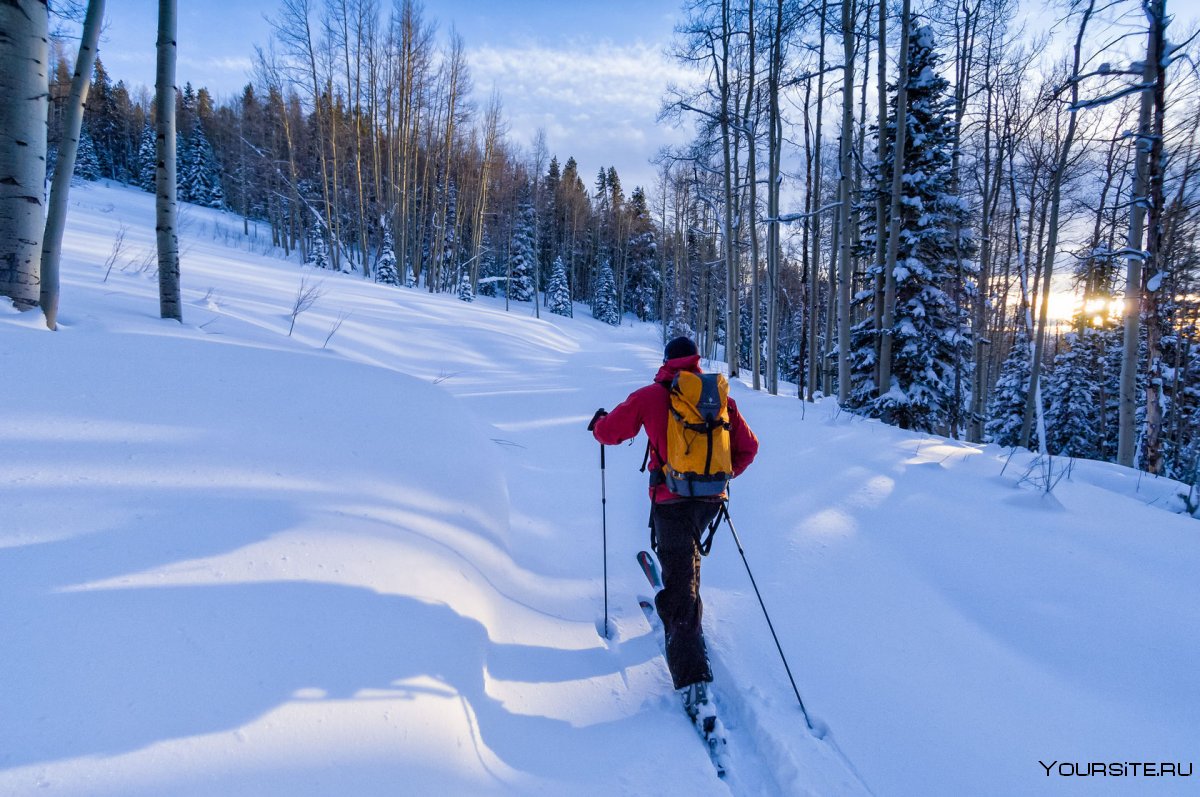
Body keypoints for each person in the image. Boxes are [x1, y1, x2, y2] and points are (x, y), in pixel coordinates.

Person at [588, 335, 758, 716]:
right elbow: (749, 448)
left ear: (666, 361)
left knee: (679, 584)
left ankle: (692, 675)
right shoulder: (720, 399)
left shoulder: (652, 396)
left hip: (671, 501)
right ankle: (685, 595)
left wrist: (598, 424)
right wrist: (719, 477)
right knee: (687, 558)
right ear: (696, 361)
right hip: (710, 502)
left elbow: (610, 432)